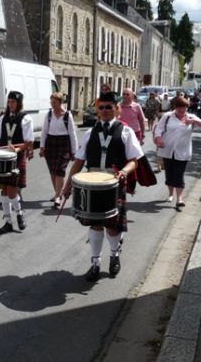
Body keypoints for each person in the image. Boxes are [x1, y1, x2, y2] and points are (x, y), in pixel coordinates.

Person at [62, 91, 144, 282]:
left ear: (117, 109)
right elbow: (79, 161)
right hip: (92, 186)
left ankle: (114, 255)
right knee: (95, 224)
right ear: (97, 110)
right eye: (102, 107)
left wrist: (124, 171)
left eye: (109, 107)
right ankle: (95, 263)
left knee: (112, 228)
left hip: (113, 185)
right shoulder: (90, 133)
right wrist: (68, 186)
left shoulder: (126, 132)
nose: (105, 110)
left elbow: (134, 161)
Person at [154, 97, 201, 209]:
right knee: (169, 174)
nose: (182, 109)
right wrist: (158, 138)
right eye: (179, 107)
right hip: (167, 150)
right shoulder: (168, 116)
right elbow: (158, 129)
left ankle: (179, 198)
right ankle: (170, 194)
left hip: (182, 151)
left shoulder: (191, 117)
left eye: (184, 107)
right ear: (175, 107)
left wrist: (194, 121)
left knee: (179, 174)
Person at [0, 91, 33, 234]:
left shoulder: (26, 118)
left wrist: (17, 149)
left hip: (16, 158)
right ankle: (8, 222)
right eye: (9, 102)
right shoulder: (3, 118)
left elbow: (28, 142)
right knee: (3, 190)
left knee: (12, 191)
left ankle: (19, 214)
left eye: (13, 102)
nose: (10, 105)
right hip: (2, 158)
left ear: (19, 103)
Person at [39, 92, 78, 208]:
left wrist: (74, 151)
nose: (53, 104)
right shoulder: (49, 115)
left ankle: (57, 196)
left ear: (61, 102)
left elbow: (72, 133)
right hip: (51, 143)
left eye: (55, 102)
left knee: (60, 170)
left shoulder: (67, 115)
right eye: (51, 102)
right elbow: (44, 131)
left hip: (64, 144)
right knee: (52, 171)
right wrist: (42, 147)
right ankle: (57, 193)